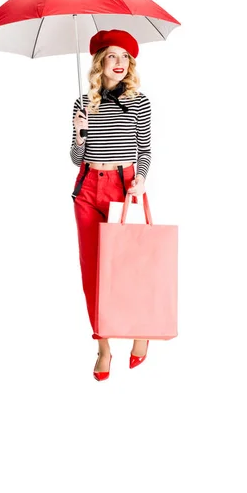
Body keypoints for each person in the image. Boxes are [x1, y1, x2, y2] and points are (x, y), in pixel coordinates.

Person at [70, 29, 151, 381]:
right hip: (88, 189)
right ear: (100, 61)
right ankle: (103, 344)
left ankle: (141, 329)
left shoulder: (140, 101)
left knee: (129, 269)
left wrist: (142, 179)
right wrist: (80, 132)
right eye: (112, 56)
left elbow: (145, 151)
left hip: (123, 189)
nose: (118, 64)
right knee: (93, 274)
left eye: (124, 57)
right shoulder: (82, 102)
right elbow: (76, 158)